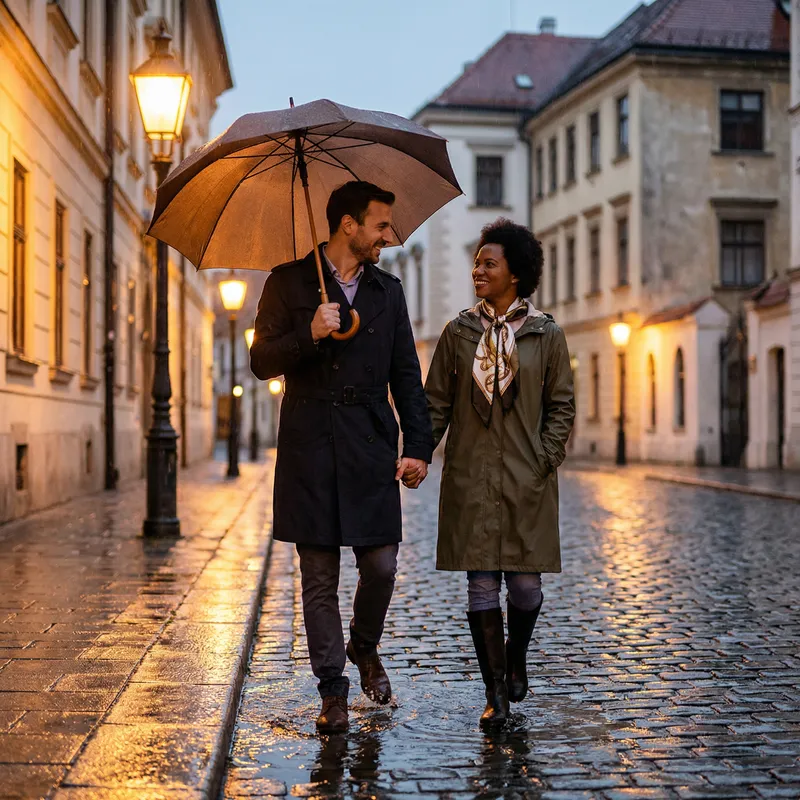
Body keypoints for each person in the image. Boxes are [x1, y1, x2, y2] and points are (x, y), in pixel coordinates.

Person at [250, 181, 432, 734]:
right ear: (348, 226)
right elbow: (260, 359)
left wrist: (419, 446)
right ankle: (332, 689)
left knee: (381, 565)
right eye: (380, 225)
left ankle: (364, 646)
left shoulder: (386, 290)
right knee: (319, 577)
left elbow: (406, 373)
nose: (388, 236)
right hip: (310, 441)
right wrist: (308, 333)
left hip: (372, 439)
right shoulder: (288, 283)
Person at [424, 218, 575, 730]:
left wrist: (543, 459)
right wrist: (419, 452)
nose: (477, 271)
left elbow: (561, 405)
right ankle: (495, 692)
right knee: (482, 583)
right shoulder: (459, 332)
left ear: (515, 272)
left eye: (489, 263)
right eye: (476, 263)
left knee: (526, 588)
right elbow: (435, 404)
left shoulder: (545, 334)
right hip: (471, 476)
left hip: (526, 479)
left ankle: (516, 656)